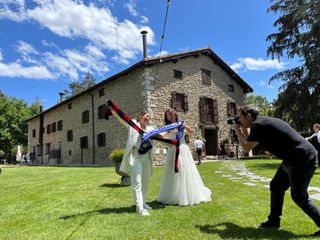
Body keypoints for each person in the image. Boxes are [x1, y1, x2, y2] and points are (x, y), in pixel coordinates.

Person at [232, 105, 320, 236]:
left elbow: (246, 147)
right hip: (293, 158)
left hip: (301, 158)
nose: (240, 120)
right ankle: (273, 221)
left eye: (241, 117)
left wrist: (237, 130)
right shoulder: (261, 123)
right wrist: (244, 128)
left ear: (248, 116)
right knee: (276, 186)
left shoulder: (258, 125)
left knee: (299, 196)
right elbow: (250, 141)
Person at [157, 108, 212, 206]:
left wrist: (184, 125)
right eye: (168, 116)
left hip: (182, 149)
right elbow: (162, 134)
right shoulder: (167, 127)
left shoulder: (180, 124)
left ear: (175, 114)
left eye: (171, 115)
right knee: (172, 172)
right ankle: (174, 195)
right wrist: (156, 134)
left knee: (183, 170)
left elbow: (190, 132)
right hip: (172, 150)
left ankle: (185, 195)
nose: (169, 117)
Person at [120, 111, 154, 216]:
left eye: (149, 117)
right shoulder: (134, 125)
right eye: (146, 116)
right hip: (136, 156)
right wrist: (112, 109)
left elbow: (161, 136)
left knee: (145, 181)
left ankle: (143, 203)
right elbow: (123, 118)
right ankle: (139, 208)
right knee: (137, 182)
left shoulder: (150, 129)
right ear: (140, 117)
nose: (148, 118)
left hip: (147, 156)